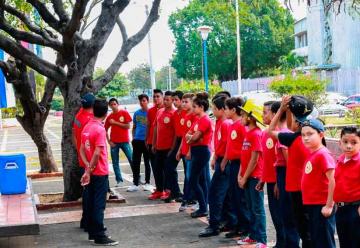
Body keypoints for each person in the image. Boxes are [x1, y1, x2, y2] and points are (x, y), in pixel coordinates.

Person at [268, 95, 312, 248]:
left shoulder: (293, 138)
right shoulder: (311, 138)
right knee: (304, 228)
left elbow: (271, 131)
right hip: (303, 187)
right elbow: (290, 126)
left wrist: (281, 109)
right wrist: (286, 110)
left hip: (297, 187)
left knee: (301, 227)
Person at [79, 99, 119, 246]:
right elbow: (97, 152)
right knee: (98, 204)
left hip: (90, 170)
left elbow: (82, 149)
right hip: (99, 172)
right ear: (106, 113)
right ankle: (99, 235)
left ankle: (92, 232)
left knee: (89, 202)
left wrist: (87, 167)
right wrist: (90, 169)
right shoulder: (100, 129)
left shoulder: (87, 126)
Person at [199, 94, 232, 237]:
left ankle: (215, 224)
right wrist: (215, 157)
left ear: (221, 109)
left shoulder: (226, 124)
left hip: (225, 162)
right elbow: (219, 144)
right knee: (222, 195)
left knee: (215, 194)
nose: (212, 111)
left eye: (214, 108)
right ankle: (223, 221)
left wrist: (223, 161)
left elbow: (228, 146)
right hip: (220, 159)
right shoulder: (219, 122)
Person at [300, 119, 336, 248]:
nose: (306, 138)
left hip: (321, 205)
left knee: (324, 241)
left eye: (310, 134)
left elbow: (333, 180)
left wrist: (329, 205)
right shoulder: (312, 153)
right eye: (303, 135)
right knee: (316, 240)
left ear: (321, 135)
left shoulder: (323, 154)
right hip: (312, 205)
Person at [269, 101, 300, 248]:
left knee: (288, 215)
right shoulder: (286, 132)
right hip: (282, 175)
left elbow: (290, 164)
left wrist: (282, 109)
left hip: (287, 175)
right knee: (285, 214)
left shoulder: (285, 135)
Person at [256, 101, 286, 248]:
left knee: (281, 216)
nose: (262, 115)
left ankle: (284, 243)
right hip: (269, 181)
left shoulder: (279, 135)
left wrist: (279, 183)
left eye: (265, 112)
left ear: (275, 114)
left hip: (278, 182)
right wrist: (263, 179)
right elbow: (266, 161)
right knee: (274, 215)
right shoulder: (264, 133)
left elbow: (281, 163)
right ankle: (280, 242)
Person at [237, 99, 267, 247]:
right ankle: (253, 235)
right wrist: (240, 175)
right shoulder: (248, 134)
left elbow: (254, 160)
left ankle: (261, 238)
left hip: (255, 177)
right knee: (250, 207)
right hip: (247, 177)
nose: (241, 118)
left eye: (242, 115)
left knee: (257, 209)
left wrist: (245, 177)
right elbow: (244, 157)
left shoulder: (256, 134)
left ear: (249, 117)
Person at [222, 97, 250, 239]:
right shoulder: (232, 125)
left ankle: (246, 226)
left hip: (240, 164)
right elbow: (230, 146)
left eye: (226, 108)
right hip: (232, 164)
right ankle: (238, 225)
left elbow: (247, 148)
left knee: (241, 197)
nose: (224, 111)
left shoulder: (241, 126)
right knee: (233, 196)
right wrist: (225, 160)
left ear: (233, 110)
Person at [186, 92, 213, 218]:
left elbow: (195, 137)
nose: (193, 109)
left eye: (195, 106)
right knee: (199, 180)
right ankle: (204, 206)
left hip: (202, 151)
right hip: (196, 150)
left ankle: (203, 207)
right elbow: (190, 134)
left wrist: (191, 138)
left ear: (201, 107)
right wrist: (192, 138)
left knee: (193, 180)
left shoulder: (205, 120)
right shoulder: (198, 119)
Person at [334, 127, 360, 248]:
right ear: (340, 143)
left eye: (354, 142)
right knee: (344, 242)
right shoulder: (340, 160)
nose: (349, 146)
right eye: (345, 142)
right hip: (341, 209)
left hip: (355, 209)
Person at [72, 93, 95, 231]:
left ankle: (84, 220)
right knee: (90, 192)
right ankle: (88, 221)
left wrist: (79, 153)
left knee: (86, 190)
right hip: (89, 161)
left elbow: (74, 135)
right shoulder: (90, 120)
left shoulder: (78, 115)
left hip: (82, 158)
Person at [149, 91, 175, 200]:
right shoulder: (159, 112)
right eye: (165, 99)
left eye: (168, 100)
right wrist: (154, 143)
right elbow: (155, 128)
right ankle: (159, 190)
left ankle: (169, 190)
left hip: (168, 147)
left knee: (168, 170)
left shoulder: (174, 113)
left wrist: (172, 148)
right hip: (158, 147)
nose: (165, 101)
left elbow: (175, 133)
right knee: (157, 169)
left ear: (173, 100)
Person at [163, 90, 186, 202]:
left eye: (176, 100)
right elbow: (176, 133)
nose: (174, 102)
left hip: (187, 141)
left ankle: (188, 196)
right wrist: (173, 148)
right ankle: (175, 192)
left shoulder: (187, 113)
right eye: (173, 100)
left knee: (188, 171)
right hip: (178, 141)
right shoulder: (175, 114)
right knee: (168, 165)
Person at [105, 98, 133, 187]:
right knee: (115, 162)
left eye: (114, 104)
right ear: (109, 106)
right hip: (114, 143)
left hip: (125, 141)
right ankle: (119, 180)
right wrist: (109, 141)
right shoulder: (109, 117)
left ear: (118, 104)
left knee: (131, 159)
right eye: (111, 104)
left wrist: (115, 123)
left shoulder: (124, 113)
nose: (113, 106)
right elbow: (104, 130)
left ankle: (137, 177)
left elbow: (128, 126)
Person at [176, 93, 197, 211]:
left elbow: (193, 136)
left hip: (191, 151)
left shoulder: (194, 116)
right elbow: (184, 136)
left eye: (186, 102)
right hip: (184, 150)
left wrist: (189, 150)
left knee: (190, 176)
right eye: (182, 101)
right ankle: (189, 198)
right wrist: (180, 150)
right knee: (187, 175)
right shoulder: (184, 115)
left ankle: (190, 199)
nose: (183, 104)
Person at [130, 94, 153, 192]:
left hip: (146, 141)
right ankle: (135, 183)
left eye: (143, 100)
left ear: (147, 101)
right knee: (136, 163)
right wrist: (133, 137)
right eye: (140, 101)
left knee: (147, 162)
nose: (142, 102)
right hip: (137, 141)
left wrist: (149, 140)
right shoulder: (136, 113)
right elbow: (134, 126)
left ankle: (147, 182)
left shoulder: (151, 113)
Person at [146, 89, 164, 193]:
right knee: (155, 167)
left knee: (163, 168)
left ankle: (165, 189)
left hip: (161, 144)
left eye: (158, 96)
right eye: (154, 97)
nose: (156, 98)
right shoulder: (151, 111)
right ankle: (158, 189)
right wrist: (146, 138)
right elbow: (148, 125)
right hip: (150, 142)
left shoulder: (166, 110)